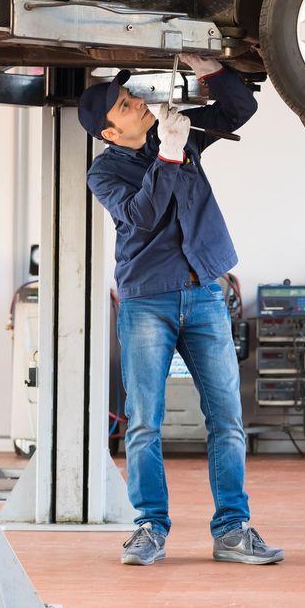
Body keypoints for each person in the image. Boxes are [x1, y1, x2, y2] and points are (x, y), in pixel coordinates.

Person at [78, 54, 283, 566]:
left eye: (134, 97)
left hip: (206, 292)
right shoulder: (104, 173)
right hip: (149, 300)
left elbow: (239, 108)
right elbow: (142, 216)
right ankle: (150, 528)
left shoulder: (181, 135)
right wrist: (169, 156)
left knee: (228, 419)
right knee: (145, 421)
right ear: (108, 131)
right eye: (127, 105)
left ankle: (233, 530)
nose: (140, 104)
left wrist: (210, 69)